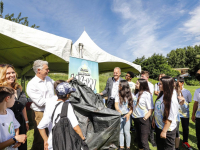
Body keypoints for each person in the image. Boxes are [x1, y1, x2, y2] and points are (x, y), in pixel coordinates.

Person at [38, 80, 85, 150]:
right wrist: (82, 139)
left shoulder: (50, 105)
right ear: (67, 95)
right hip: (67, 143)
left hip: (53, 143)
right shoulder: (67, 106)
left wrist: (46, 141)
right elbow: (75, 127)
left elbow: (41, 126)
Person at [26, 60, 55, 150]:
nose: (48, 71)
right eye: (46, 69)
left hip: (51, 110)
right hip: (40, 113)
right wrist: (56, 99)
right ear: (39, 70)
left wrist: (65, 83)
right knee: (40, 136)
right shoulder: (32, 85)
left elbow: (56, 85)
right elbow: (41, 102)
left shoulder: (48, 79)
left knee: (50, 133)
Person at [0, 64, 28, 150]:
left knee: (21, 145)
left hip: (19, 123)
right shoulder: (1, 90)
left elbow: (23, 106)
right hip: (6, 123)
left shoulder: (18, 87)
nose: (12, 75)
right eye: (8, 73)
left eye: (13, 72)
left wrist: (26, 121)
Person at [152, 76, 179, 150]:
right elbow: (157, 109)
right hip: (159, 126)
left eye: (160, 84)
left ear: (166, 85)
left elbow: (170, 118)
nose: (158, 85)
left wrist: (164, 131)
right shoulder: (161, 94)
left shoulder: (172, 100)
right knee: (160, 147)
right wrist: (154, 119)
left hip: (167, 130)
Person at [132, 79, 154, 150]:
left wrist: (145, 118)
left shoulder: (147, 94)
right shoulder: (136, 93)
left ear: (142, 85)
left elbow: (151, 108)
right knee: (139, 138)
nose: (135, 84)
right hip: (136, 119)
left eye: (137, 83)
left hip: (143, 119)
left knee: (144, 140)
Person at [115, 80, 133, 150]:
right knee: (120, 131)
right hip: (119, 115)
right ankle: (121, 146)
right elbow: (116, 104)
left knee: (127, 132)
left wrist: (128, 114)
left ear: (122, 86)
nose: (118, 86)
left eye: (119, 85)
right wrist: (118, 110)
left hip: (127, 116)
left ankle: (128, 147)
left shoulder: (129, 95)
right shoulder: (118, 94)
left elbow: (132, 108)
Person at [176, 77, 193, 150]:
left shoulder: (187, 92)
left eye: (178, 82)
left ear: (182, 83)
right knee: (176, 128)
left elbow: (189, 101)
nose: (176, 83)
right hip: (176, 113)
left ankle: (185, 141)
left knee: (185, 128)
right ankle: (176, 141)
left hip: (184, 113)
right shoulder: (173, 91)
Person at [140, 70, 156, 146]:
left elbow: (149, 95)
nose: (141, 77)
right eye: (141, 76)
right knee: (140, 124)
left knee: (150, 124)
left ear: (147, 77)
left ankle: (152, 139)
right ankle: (140, 137)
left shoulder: (150, 85)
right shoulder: (139, 83)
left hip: (148, 108)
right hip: (141, 108)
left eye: (142, 76)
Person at [192, 69, 200, 150]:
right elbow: (195, 103)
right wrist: (193, 114)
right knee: (199, 136)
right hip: (199, 117)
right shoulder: (197, 91)